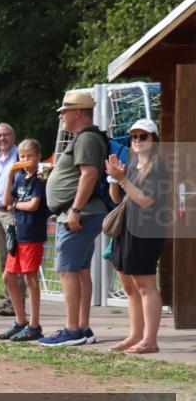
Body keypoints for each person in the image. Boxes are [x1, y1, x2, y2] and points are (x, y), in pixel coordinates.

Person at [41, 91, 107, 347]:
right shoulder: (85, 138)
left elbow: (89, 175)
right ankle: (82, 327)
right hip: (80, 212)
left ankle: (72, 330)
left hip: (78, 214)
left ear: (78, 112)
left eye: (64, 111)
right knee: (80, 271)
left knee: (67, 271)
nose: (61, 116)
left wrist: (75, 210)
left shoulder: (86, 138)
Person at [107, 119, 169, 354]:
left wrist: (122, 179)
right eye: (134, 137)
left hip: (147, 230)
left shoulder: (159, 167)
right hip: (127, 228)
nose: (138, 141)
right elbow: (116, 199)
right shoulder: (133, 165)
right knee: (129, 285)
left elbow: (146, 200)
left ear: (154, 140)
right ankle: (134, 335)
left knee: (145, 284)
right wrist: (115, 178)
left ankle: (150, 339)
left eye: (144, 136)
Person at [0, 140, 49, 342]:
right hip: (18, 234)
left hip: (32, 234)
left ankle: (35, 325)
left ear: (38, 157)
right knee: (8, 277)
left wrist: (16, 205)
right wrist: (10, 175)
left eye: (29, 156)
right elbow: (5, 201)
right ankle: (20, 321)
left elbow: (34, 205)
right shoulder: (19, 177)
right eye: (22, 157)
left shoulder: (39, 179)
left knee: (30, 279)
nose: (25, 160)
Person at [0, 123, 25, 317]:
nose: (2, 139)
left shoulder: (21, 156)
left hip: (13, 212)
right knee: (4, 258)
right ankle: (8, 298)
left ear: (13, 136)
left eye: (5, 135)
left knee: (15, 257)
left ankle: (17, 303)